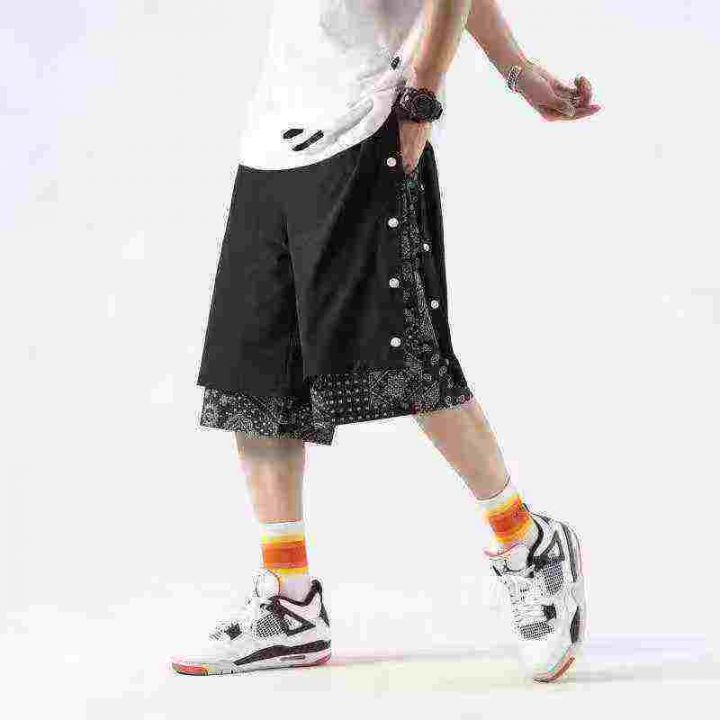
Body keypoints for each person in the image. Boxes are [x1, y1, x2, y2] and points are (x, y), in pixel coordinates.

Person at [171, 0, 600, 682]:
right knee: (256, 379)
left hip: (368, 132)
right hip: (271, 141)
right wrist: (518, 69)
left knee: (409, 367)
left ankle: (527, 544)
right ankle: (290, 604)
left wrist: (423, 98)